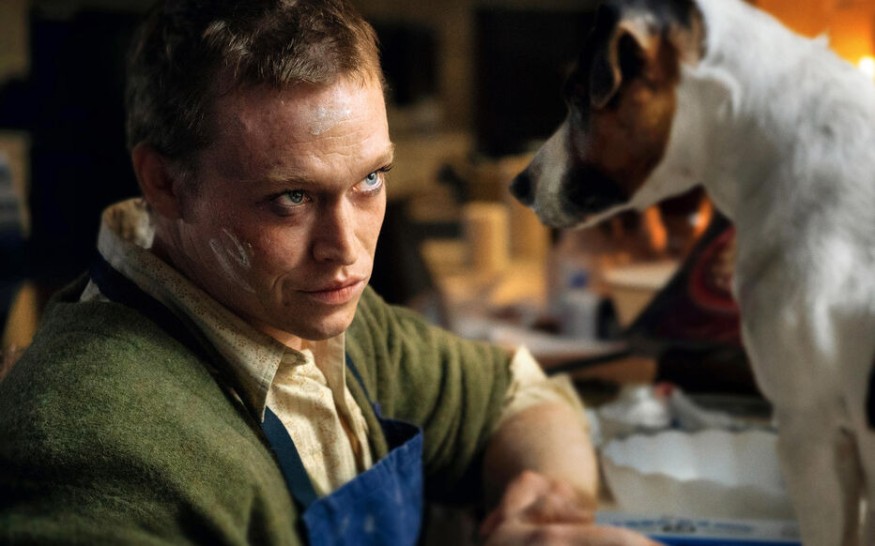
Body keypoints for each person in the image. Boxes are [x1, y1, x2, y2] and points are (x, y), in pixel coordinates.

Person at [0, 1, 658, 544]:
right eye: (291, 197)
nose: (345, 250)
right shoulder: (93, 451)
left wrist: (547, 510)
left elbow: (515, 393)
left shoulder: (315, 315)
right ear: (165, 183)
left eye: (370, 178)